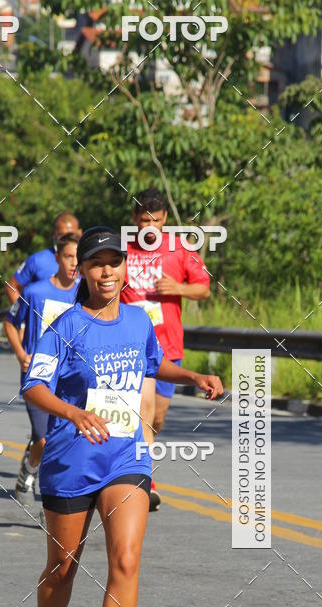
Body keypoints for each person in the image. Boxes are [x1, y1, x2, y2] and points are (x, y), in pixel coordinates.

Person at [21, 227, 222, 607]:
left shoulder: (137, 319)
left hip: (125, 457)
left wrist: (192, 375)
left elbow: (154, 363)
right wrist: (72, 413)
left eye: (115, 262)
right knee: (62, 568)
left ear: (125, 267)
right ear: (83, 272)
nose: (107, 271)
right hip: (71, 460)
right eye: (97, 263)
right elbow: (34, 385)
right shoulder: (66, 326)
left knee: (126, 559)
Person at [122, 187, 211, 511]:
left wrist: (179, 288)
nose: (150, 227)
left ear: (165, 220)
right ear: (135, 218)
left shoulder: (180, 249)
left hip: (169, 346)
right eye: (144, 220)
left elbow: (204, 289)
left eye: (156, 221)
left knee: (156, 418)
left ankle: (137, 462)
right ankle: (144, 480)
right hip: (133, 348)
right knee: (142, 414)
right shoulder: (121, 250)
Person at [4, 232, 79, 515]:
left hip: (68, 379)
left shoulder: (84, 294)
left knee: (62, 441)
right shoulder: (35, 292)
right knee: (44, 439)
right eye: (68, 257)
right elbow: (10, 322)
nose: (74, 263)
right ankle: (29, 469)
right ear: (57, 258)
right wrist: (21, 354)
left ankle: (51, 505)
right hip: (37, 377)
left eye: (78, 258)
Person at [5, 212, 80, 304]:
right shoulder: (37, 260)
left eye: (70, 235)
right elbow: (11, 287)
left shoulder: (88, 261)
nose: (66, 239)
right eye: (61, 235)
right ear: (54, 235)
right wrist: (24, 311)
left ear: (79, 233)